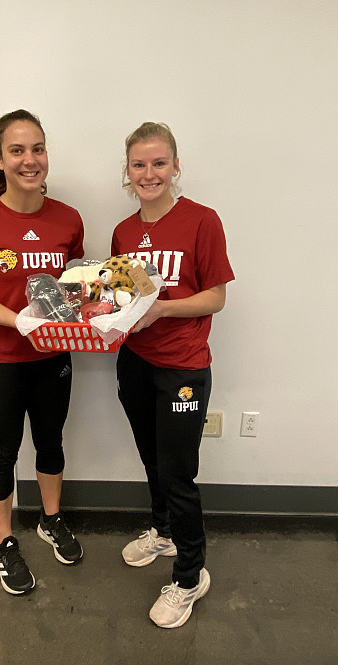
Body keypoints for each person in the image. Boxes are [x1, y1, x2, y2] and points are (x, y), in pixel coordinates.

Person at [0, 109, 84, 596]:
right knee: (3, 452)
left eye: (38, 149)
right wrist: (22, 321)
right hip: (0, 361)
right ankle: (5, 541)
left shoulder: (68, 218)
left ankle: (51, 520)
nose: (30, 160)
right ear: (0, 158)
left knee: (51, 444)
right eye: (18, 150)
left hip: (53, 360)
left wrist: (100, 314)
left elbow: (73, 290)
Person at [112, 122, 235, 628]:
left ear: (175, 166)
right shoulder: (123, 231)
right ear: (128, 172)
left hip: (183, 366)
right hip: (135, 362)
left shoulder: (202, 221)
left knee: (178, 472)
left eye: (159, 163)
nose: (149, 173)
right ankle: (163, 532)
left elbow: (217, 297)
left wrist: (163, 310)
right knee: (151, 458)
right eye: (139, 165)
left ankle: (190, 576)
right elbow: (119, 295)